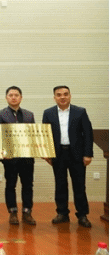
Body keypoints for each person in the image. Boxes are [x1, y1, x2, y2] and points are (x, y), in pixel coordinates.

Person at [42, 85, 93, 228]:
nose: (62, 97)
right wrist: (47, 154)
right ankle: (62, 213)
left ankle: (82, 215)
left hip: (77, 154)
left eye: (65, 94)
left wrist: (88, 154)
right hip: (58, 154)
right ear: (54, 98)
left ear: (70, 96)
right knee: (60, 184)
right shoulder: (48, 113)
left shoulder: (80, 112)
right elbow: (45, 135)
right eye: (59, 95)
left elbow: (88, 134)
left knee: (79, 185)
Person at [0, 86, 36, 225]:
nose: (13, 97)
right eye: (10, 95)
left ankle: (27, 212)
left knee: (28, 185)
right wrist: (2, 154)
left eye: (16, 95)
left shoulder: (29, 115)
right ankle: (12, 212)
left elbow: (33, 135)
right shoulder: (0, 114)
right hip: (10, 158)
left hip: (27, 157)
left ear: (21, 97)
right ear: (6, 98)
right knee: (10, 185)